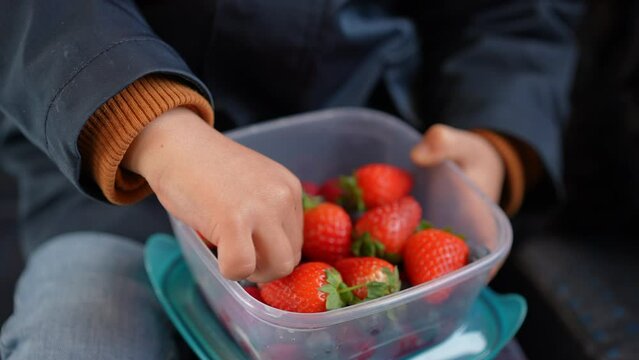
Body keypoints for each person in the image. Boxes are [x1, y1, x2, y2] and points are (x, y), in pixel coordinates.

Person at [0, 0, 583, 358]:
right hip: (116, 189)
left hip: (370, 168)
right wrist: (155, 127)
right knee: (74, 335)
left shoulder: (375, 242)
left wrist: (493, 142)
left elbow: (515, 14)